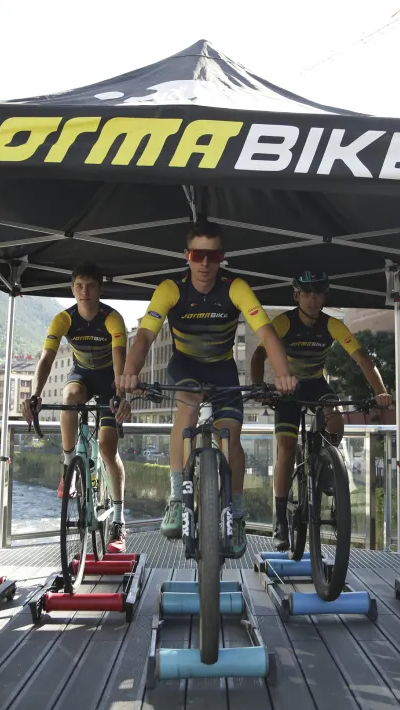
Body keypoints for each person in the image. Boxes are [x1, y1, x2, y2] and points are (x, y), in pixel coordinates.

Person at [118, 220, 297, 556]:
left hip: (223, 369)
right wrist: (130, 372)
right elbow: (144, 336)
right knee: (187, 409)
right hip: (184, 366)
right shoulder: (171, 288)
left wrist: (284, 372)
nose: (204, 263)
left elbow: (267, 333)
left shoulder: (235, 287)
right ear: (187, 255)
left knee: (231, 436)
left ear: (221, 258)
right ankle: (175, 500)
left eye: (212, 256)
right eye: (198, 254)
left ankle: (237, 515)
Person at [250, 271, 394, 551]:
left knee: (335, 417)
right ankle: (280, 521)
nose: (312, 299)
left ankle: (324, 460)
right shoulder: (283, 322)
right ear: (296, 296)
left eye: (317, 293)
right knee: (287, 448)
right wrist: (258, 386)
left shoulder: (332, 325)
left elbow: (362, 358)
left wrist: (381, 391)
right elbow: (258, 354)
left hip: (316, 384)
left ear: (324, 297)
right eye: (306, 293)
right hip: (289, 387)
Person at [22, 261, 132, 553]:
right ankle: (69, 464)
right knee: (69, 398)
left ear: (99, 289)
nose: (84, 292)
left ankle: (119, 521)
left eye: (91, 286)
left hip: (109, 381)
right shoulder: (63, 319)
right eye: (79, 286)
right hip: (81, 375)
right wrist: (35, 394)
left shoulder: (112, 318)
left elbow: (120, 357)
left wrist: (120, 394)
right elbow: (46, 359)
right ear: (72, 289)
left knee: (108, 448)